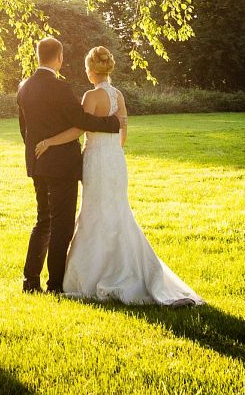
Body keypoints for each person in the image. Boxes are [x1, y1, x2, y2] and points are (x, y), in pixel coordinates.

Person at [35, 45, 203, 306]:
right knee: (118, 211)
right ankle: (134, 270)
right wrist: (112, 152)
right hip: (114, 160)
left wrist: (49, 142)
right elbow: (123, 132)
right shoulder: (119, 96)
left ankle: (95, 274)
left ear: (91, 70)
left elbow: (79, 129)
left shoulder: (91, 96)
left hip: (96, 161)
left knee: (95, 212)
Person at [15, 36, 123, 295]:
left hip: (38, 163)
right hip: (62, 165)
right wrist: (112, 124)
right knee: (62, 225)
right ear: (60, 58)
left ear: (39, 57)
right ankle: (55, 285)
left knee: (42, 221)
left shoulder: (24, 86)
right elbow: (80, 119)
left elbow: (24, 129)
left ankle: (30, 281)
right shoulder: (61, 87)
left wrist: (36, 154)